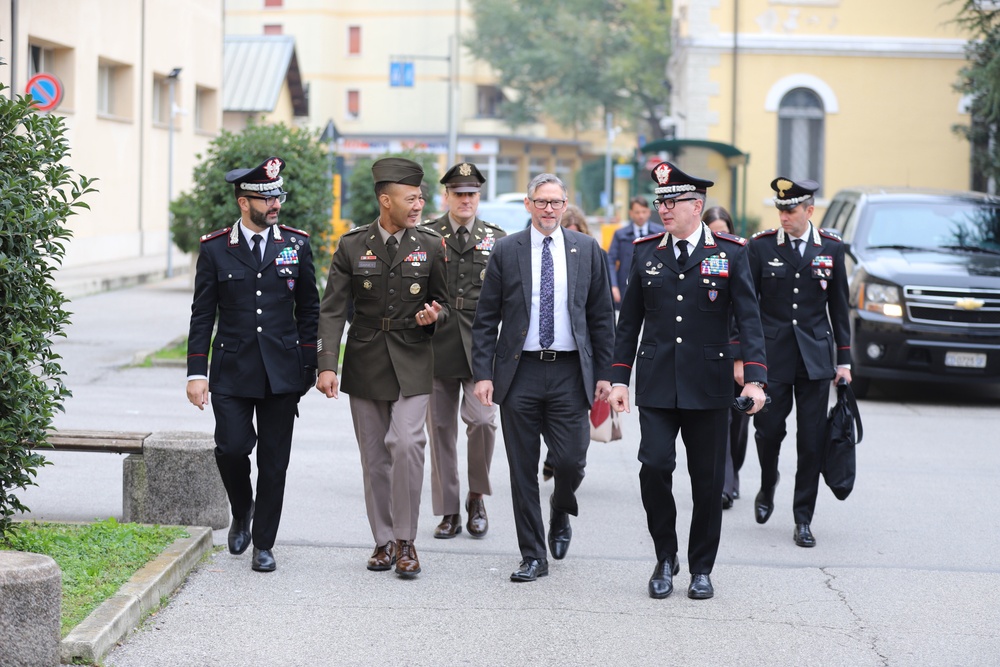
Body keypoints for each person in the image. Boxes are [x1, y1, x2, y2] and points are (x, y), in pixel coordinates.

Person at [608, 161, 768, 601]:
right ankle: (664, 556)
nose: (663, 208)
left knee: (706, 483)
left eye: (672, 201)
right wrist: (619, 380)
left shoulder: (732, 253)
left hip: (710, 384)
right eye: (660, 200)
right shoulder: (645, 251)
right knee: (654, 467)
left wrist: (755, 381)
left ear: (696, 206)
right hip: (658, 383)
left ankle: (701, 568)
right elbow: (630, 324)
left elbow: (751, 322)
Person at [472, 173, 616, 583]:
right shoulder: (505, 250)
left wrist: (606, 374)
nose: (549, 209)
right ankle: (533, 555)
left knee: (571, 461)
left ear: (565, 204)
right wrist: (483, 373)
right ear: (528, 204)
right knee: (522, 469)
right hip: (521, 372)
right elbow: (486, 319)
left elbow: (602, 317)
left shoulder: (587, 250)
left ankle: (560, 510)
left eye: (556, 202)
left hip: (571, 372)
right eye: (542, 202)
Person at [315, 157, 450, 578]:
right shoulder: (352, 245)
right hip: (366, 357)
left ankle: (407, 540)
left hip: (413, 357)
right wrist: (326, 365)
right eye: (410, 198)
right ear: (384, 200)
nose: (419, 204)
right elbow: (332, 311)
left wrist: (435, 316)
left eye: (421, 197)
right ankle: (383, 540)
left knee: (408, 444)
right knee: (374, 456)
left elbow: (443, 303)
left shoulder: (429, 245)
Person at [186, 156, 320, 573]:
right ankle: (242, 510)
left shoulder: (296, 245)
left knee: (274, 461)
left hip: (282, 370)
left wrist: (308, 364)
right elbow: (202, 313)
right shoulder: (215, 248)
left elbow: (309, 308)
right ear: (244, 203)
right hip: (232, 369)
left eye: (278, 195)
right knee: (231, 448)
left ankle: (264, 543)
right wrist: (196, 372)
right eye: (266, 198)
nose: (276, 204)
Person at [747, 177, 852, 548]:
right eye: (779, 210)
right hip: (772, 358)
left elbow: (839, 309)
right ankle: (767, 481)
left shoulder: (832, 249)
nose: (783, 216)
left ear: (809, 211)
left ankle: (803, 517)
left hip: (814, 359)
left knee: (811, 441)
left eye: (790, 210)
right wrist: (746, 358)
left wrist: (844, 361)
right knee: (768, 432)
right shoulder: (759, 247)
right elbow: (747, 307)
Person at [420, 162, 506, 540]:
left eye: (471, 193)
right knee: (439, 430)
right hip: (436, 345)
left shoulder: (497, 239)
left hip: (481, 346)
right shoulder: (426, 235)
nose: (465, 200)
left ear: (478, 196)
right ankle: (449, 510)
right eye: (458, 193)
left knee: (484, 423)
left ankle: (477, 496)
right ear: (447, 197)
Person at [702, 206, 751, 510]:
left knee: (739, 425)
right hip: (710, 354)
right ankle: (725, 483)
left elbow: (751, 314)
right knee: (722, 419)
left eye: (725, 230)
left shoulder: (742, 255)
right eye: (714, 231)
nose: (721, 236)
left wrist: (744, 357)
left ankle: (733, 474)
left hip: (740, 354)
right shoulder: (700, 260)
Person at [606, 196, 663, 310]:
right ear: (630, 213)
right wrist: (613, 285)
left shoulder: (660, 233)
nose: (640, 216)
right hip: (625, 287)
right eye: (637, 212)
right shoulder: (620, 235)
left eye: (643, 212)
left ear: (648, 212)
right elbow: (610, 261)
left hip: (654, 287)